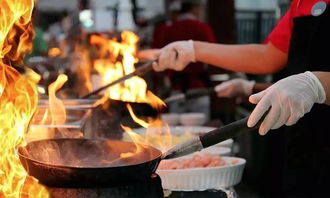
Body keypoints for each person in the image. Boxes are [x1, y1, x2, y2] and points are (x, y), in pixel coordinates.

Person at [149, 0, 330, 196]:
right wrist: (194, 50)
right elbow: (269, 56)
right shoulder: (301, 3)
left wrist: (317, 84)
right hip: (299, 131)